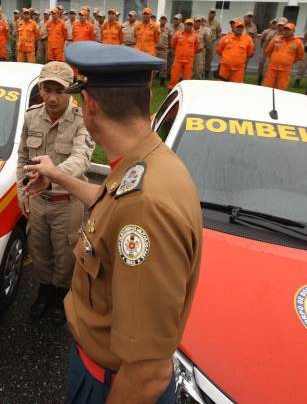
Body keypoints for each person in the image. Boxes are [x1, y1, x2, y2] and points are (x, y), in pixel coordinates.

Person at [23, 42, 202, 404]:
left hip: (110, 383)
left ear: (88, 106)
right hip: (102, 369)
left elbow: (149, 373)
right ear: (147, 98)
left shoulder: (146, 208)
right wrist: (58, 176)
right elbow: (109, 200)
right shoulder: (143, 162)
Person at [17, 61, 94, 325]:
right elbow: (22, 157)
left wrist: (51, 178)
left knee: (65, 255)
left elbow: (81, 158)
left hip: (66, 204)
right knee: (39, 252)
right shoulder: (31, 116)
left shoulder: (82, 121)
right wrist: (21, 193)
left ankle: (62, 297)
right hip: (38, 202)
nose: (51, 97)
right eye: (46, 89)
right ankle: (44, 293)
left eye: (58, 91)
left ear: (70, 91)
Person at [262, 23, 304, 90]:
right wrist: (274, 58)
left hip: (285, 70)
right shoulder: (276, 39)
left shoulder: (298, 42)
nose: (286, 31)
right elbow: (268, 51)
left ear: (293, 31)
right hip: (272, 68)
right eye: (285, 29)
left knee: (281, 89)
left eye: (288, 30)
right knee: (267, 88)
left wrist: (290, 60)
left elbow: (300, 56)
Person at [168, 18, 200, 90]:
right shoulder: (178, 34)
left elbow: (196, 48)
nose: (188, 26)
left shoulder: (195, 36)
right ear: (184, 25)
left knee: (187, 79)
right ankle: (171, 91)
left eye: (190, 25)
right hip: (178, 60)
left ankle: (185, 92)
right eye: (187, 24)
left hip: (188, 61)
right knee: (174, 77)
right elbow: (173, 45)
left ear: (192, 26)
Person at [257, 19, 279, 84]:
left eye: (275, 24)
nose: (274, 25)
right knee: (261, 65)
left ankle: (265, 80)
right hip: (264, 50)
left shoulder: (277, 32)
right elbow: (262, 39)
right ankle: (260, 78)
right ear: (270, 24)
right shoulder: (266, 31)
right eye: (273, 23)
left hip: (272, 52)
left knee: (267, 67)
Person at [156, 15, 173, 86]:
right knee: (153, 65)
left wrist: (169, 48)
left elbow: (170, 40)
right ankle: (151, 81)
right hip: (155, 49)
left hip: (164, 50)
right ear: (159, 20)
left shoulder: (168, 30)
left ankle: (162, 83)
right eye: (161, 19)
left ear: (166, 21)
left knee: (164, 67)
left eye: (164, 19)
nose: (163, 20)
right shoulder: (155, 27)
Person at [204, 9, 222, 77]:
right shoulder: (204, 21)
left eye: (213, 13)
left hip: (211, 43)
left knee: (209, 59)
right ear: (208, 13)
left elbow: (219, 33)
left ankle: (206, 73)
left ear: (215, 15)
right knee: (201, 58)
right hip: (203, 43)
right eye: (211, 13)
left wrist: (215, 38)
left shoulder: (217, 23)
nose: (212, 14)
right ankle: (199, 72)